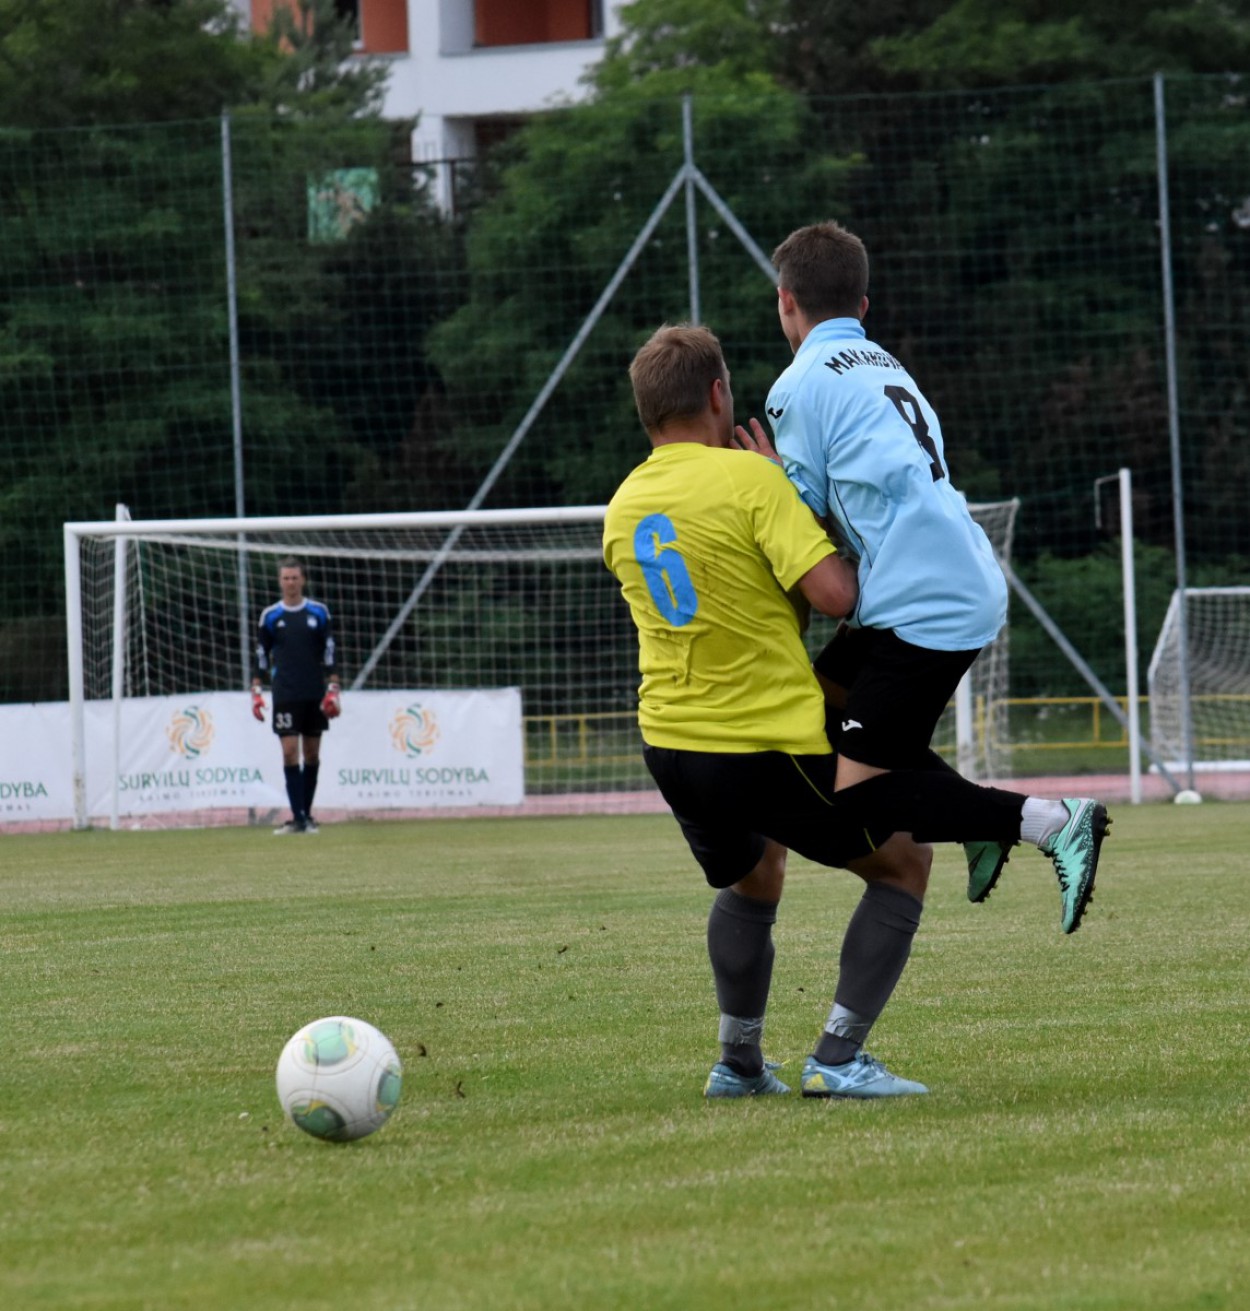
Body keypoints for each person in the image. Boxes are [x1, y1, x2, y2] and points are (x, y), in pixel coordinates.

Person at [605, 324, 1108, 1102]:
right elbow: (836, 595)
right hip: (762, 741)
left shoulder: (622, 506)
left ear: (645, 412)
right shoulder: (750, 481)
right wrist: (801, 509)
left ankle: (738, 1063)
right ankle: (838, 1057)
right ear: (718, 394)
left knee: (755, 874)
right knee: (904, 863)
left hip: (670, 745)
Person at [736, 218, 1109, 926]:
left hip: (924, 603)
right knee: (819, 708)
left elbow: (804, 523)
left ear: (785, 300)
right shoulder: (885, 365)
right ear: (862, 305)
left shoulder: (797, 386)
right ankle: (974, 824)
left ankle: (1051, 821)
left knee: (857, 793)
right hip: (935, 581)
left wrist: (765, 481)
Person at [252, 556, 341, 836]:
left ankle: (306, 815)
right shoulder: (270, 616)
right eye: (285, 578)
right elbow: (261, 655)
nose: (290, 582)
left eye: (294, 577)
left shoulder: (319, 612)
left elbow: (330, 652)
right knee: (290, 752)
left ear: (303, 580)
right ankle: (298, 818)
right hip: (285, 692)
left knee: (312, 754)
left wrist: (333, 688)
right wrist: (256, 691)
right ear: (280, 581)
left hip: (314, 691)